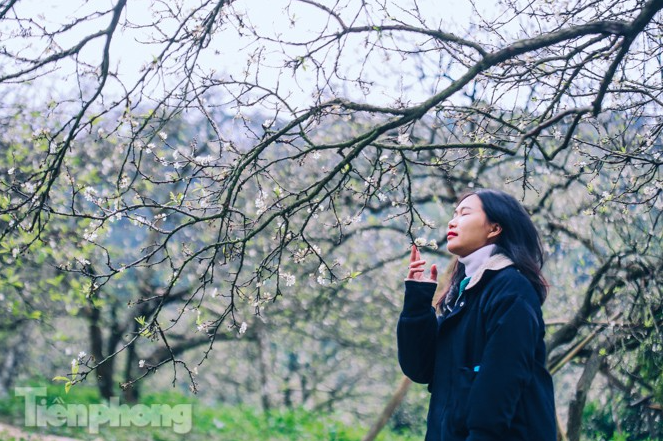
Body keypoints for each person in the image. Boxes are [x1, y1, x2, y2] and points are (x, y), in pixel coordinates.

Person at [397, 189, 556, 441]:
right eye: (453, 214)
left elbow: (502, 379)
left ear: (494, 229)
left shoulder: (511, 288)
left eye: (464, 213)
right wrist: (417, 300)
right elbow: (421, 369)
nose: (452, 221)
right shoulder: (463, 293)